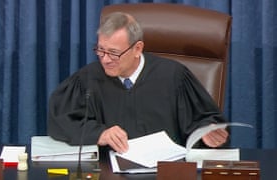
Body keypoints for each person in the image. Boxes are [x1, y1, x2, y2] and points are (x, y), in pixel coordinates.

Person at [47, 12, 229, 154]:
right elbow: (61, 120)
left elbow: (204, 119)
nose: (105, 59)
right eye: (100, 50)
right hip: (109, 172)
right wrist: (99, 134)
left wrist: (208, 134)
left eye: (113, 52)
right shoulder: (88, 79)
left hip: (165, 173)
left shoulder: (174, 76)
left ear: (137, 49)